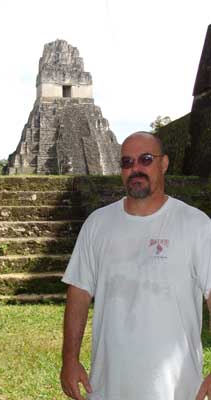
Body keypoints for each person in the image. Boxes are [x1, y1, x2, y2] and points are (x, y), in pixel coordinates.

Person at [60, 131, 211, 400]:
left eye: (146, 159)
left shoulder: (196, 225)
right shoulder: (98, 224)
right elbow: (79, 293)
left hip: (177, 388)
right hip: (109, 386)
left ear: (163, 164)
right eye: (127, 162)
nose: (135, 169)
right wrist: (69, 360)